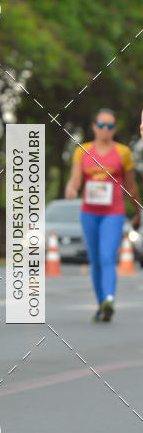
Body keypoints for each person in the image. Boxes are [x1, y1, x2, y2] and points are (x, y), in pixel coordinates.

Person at [65, 108, 141, 321]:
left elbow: (131, 186)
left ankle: (109, 299)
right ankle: (102, 306)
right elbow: (76, 180)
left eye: (109, 126)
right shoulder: (83, 150)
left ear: (114, 129)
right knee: (95, 260)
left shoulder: (123, 152)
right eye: (101, 125)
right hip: (89, 213)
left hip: (113, 213)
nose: (105, 130)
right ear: (94, 127)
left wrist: (137, 211)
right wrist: (71, 189)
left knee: (108, 256)